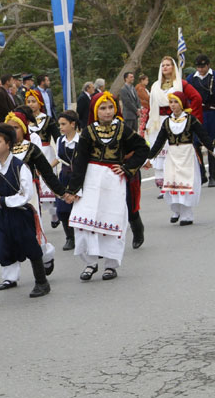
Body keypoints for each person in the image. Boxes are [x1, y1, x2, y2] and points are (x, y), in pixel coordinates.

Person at [64, 91, 150, 281]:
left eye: (111, 107)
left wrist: (127, 168)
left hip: (113, 181)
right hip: (91, 180)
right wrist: (73, 189)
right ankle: (90, 263)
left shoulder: (122, 129)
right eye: (103, 108)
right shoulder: (88, 132)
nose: (108, 111)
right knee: (85, 221)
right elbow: (79, 161)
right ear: (95, 111)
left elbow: (143, 147)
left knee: (112, 220)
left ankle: (111, 264)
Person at [0, 123, 50, 311]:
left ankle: (42, 282)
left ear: (8, 144)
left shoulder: (20, 166)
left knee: (31, 248)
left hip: (19, 215)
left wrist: (3, 201)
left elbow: (26, 194)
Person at [0, 110, 61, 292]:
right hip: (5, 195)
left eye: (16, 127)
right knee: (7, 234)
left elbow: (47, 172)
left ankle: (46, 255)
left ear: (24, 129)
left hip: (28, 194)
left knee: (32, 231)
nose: (12, 131)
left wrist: (63, 193)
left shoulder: (31, 148)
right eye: (9, 127)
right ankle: (10, 276)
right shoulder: (0, 149)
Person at [148, 92, 215, 225]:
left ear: (182, 104)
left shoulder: (190, 119)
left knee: (185, 184)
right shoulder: (167, 122)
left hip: (187, 155)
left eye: (176, 102)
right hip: (172, 155)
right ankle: (176, 210)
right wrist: (149, 158)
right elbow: (159, 142)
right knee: (172, 183)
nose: (173, 105)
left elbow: (203, 136)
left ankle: (187, 215)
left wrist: (214, 150)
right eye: (171, 102)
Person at [146, 56, 203, 197]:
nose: (165, 67)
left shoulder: (180, 84)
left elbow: (196, 97)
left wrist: (190, 116)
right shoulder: (155, 86)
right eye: (163, 65)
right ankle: (163, 186)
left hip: (176, 122)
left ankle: (177, 184)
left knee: (174, 154)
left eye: (168, 65)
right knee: (159, 154)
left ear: (173, 67)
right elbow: (151, 106)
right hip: (158, 122)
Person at [25, 88, 61, 226]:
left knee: (48, 187)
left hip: (46, 153)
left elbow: (58, 138)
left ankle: (53, 215)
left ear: (40, 103)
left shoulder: (47, 120)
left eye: (33, 101)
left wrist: (58, 156)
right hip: (30, 154)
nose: (31, 104)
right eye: (28, 101)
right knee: (34, 187)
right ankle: (36, 218)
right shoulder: (24, 121)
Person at [186, 54, 215, 187]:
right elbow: (187, 96)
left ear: (208, 65)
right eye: (198, 67)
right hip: (197, 114)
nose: (200, 69)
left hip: (213, 113)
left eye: (202, 67)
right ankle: (201, 174)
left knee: (212, 144)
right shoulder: (191, 79)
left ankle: (213, 176)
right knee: (195, 144)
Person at [50, 110, 80, 250]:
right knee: (63, 209)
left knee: (79, 208)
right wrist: (46, 168)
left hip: (78, 177)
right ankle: (70, 237)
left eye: (63, 124)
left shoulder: (81, 140)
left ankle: (82, 237)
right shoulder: (60, 140)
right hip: (64, 177)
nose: (60, 127)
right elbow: (59, 158)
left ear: (72, 124)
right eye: (59, 124)